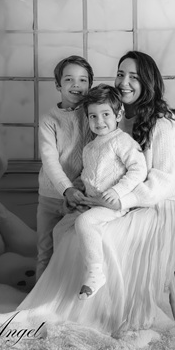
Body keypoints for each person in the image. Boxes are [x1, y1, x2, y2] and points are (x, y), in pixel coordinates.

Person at [17, 51, 175, 338]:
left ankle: (110, 312)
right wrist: (88, 196)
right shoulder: (116, 118)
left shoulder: (165, 122)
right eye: (120, 74)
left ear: (148, 81)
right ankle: (71, 305)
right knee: (70, 230)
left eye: (134, 77)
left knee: (106, 235)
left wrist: (118, 200)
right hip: (130, 200)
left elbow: (162, 181)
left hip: (165, 205)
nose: (124, 82)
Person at [72, 84, 147, 300]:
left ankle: (96, 272)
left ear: (118, 115)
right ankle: (63, 278)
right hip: (93, 202)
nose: (99, 121)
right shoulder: (89, 147)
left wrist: (117, 190)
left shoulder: (121, 141)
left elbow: (138, 169)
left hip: (114, 205)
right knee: (62, 227)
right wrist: (79, 190)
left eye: (105, 114)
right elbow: (89, 174)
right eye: (93, 116)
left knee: (84, 222)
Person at [35, 55, 94, 281]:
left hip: (81, 196)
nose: (76, 85)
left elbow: (97, 155)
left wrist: (77, 188)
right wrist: (66, 189)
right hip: (51, 195)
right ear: (58, 85)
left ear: (90, 85)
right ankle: (37, 298)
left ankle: (68, 295)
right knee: (45, 251)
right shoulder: (49, 119)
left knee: (76, 251)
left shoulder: (94, 115)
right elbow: (49, 160)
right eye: (69, 79)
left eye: (83, 80)